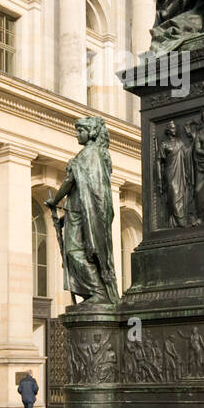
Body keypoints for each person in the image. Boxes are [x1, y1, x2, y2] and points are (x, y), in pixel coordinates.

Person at [45, 116, 119, 303]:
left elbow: (70, 181)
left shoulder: (87, 155)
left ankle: (97, 292)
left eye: (81, 131)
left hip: (81, 210)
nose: (77, 134)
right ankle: (92, 293)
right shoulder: (98, 154)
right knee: (83, 251)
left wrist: (55, 200)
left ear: (92, 133)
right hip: (80, 210)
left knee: (74, 251)